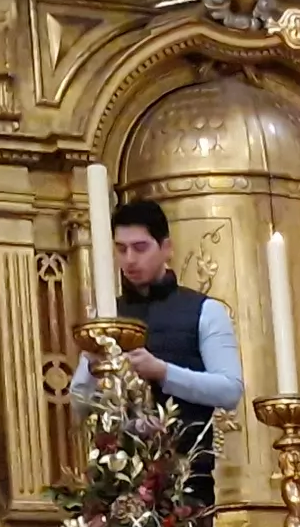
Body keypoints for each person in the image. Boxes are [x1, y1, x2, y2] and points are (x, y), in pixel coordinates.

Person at [104, 199, 247, 504]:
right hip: (116, 481)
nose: (129, 259)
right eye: (121, 249)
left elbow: (229, 390)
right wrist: (93, 367)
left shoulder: (205, 311)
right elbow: (80, 404)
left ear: (166, 248)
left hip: (187, 480)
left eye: (140, 247)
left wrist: (163, 372)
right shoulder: (106, 314)